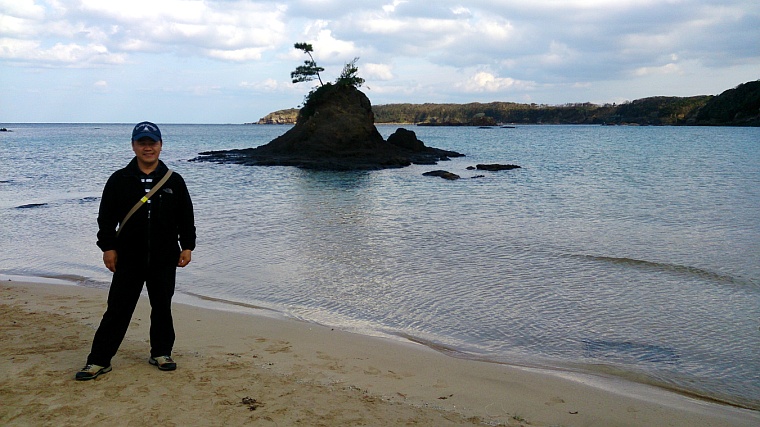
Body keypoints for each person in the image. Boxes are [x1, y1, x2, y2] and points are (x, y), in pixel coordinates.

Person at [76, 121, 196, 381]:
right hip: (128, 257)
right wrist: (108, 248)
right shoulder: (119, 180)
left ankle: (161, 353)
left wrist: (187, 246)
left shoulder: (174, 181)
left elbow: (186, 217)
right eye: (142, 143)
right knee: (117, 309)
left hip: (164, 257)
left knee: (162, 307)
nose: (147, 148)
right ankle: (98, 360)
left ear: (161, 145)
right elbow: (105, 219)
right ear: (133, 146)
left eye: (152, 143)